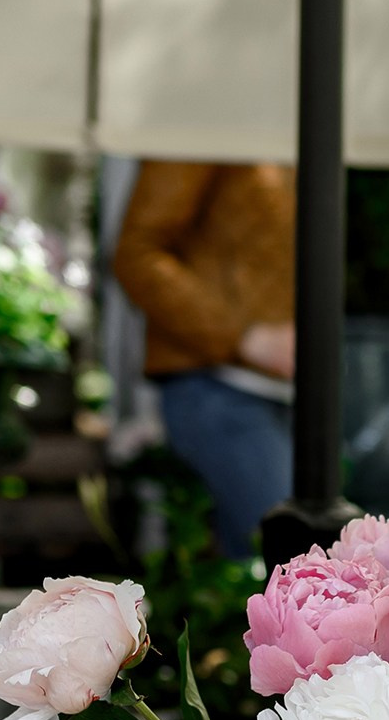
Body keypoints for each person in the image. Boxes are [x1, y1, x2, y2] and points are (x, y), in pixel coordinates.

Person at [112, 161, 296, 559]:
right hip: (218, 386)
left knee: (267, 576)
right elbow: (137, 252)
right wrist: (241, 337)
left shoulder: (282, 125)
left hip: (278, 392)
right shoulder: (206, 118)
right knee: (292, 564)